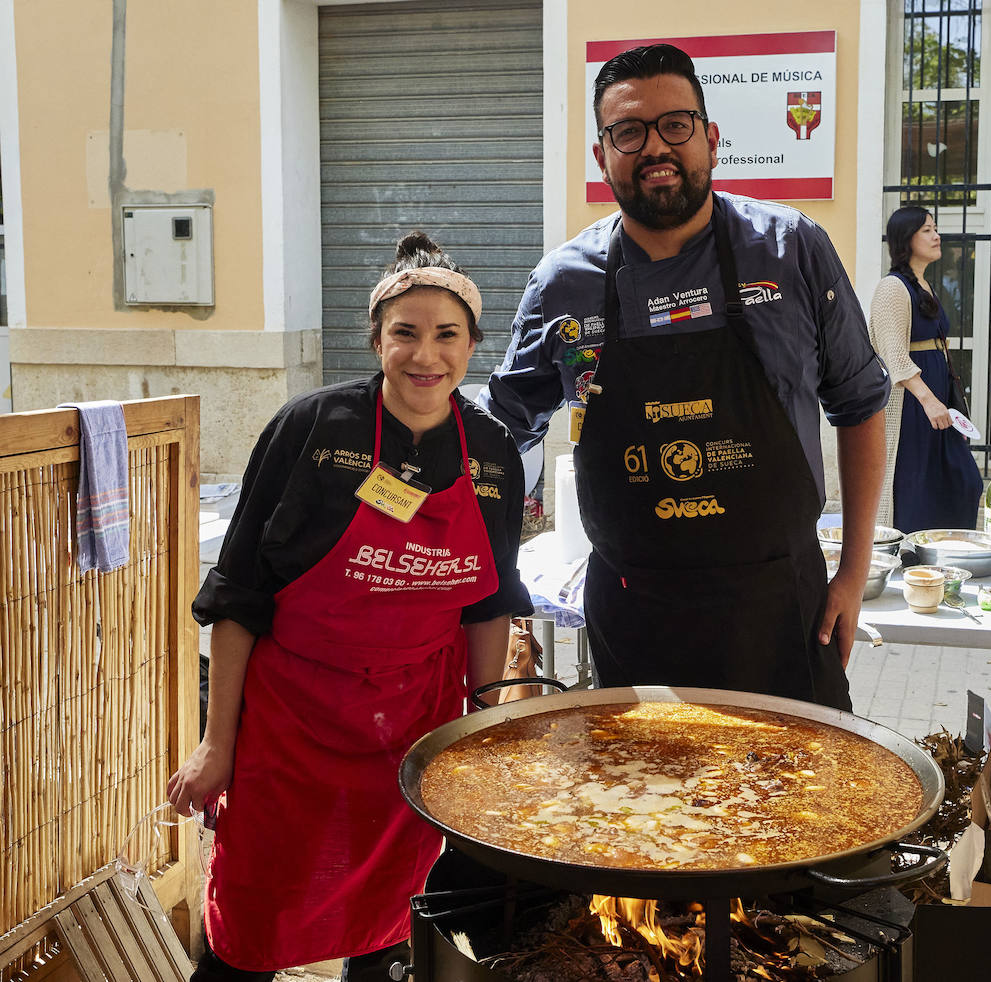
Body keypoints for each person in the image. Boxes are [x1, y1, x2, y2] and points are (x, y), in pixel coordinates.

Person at [167, 232, 533, 981]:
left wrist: (483, 723)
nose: (425, 355)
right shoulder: (312, 429)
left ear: (472, 348)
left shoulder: (492, 449)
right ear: (375, 340)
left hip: (412, 728)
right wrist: (216, 743)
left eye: (446, 335)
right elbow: (239, 596)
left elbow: (491, 601)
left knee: (388, 930)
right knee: (251, 928)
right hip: (292, 722)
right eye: (404, 333)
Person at [484, 44, 889, 712]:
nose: (655, 147)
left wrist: (853, 570)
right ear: (602, 156)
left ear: (711, 139)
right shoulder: (564, 283)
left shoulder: (790, 248)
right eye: (629, 132)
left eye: (676, 125)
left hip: (782, 609)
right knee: (649, 809)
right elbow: (503, 437)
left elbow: (860, 401)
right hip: (634, 615)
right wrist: (488, 579)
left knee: (801, 809)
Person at [869, 205, 981, 532]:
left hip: (936, 396)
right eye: (927, 230)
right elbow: (893, 353)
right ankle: (909, 554)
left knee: (962, 479)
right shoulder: (892, 287)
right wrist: (928, 399)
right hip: (912, 403)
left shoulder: (924, 285)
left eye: (935, 228)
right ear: (907, 239)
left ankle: (945, 549)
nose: (937, 236)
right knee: (914, 483)